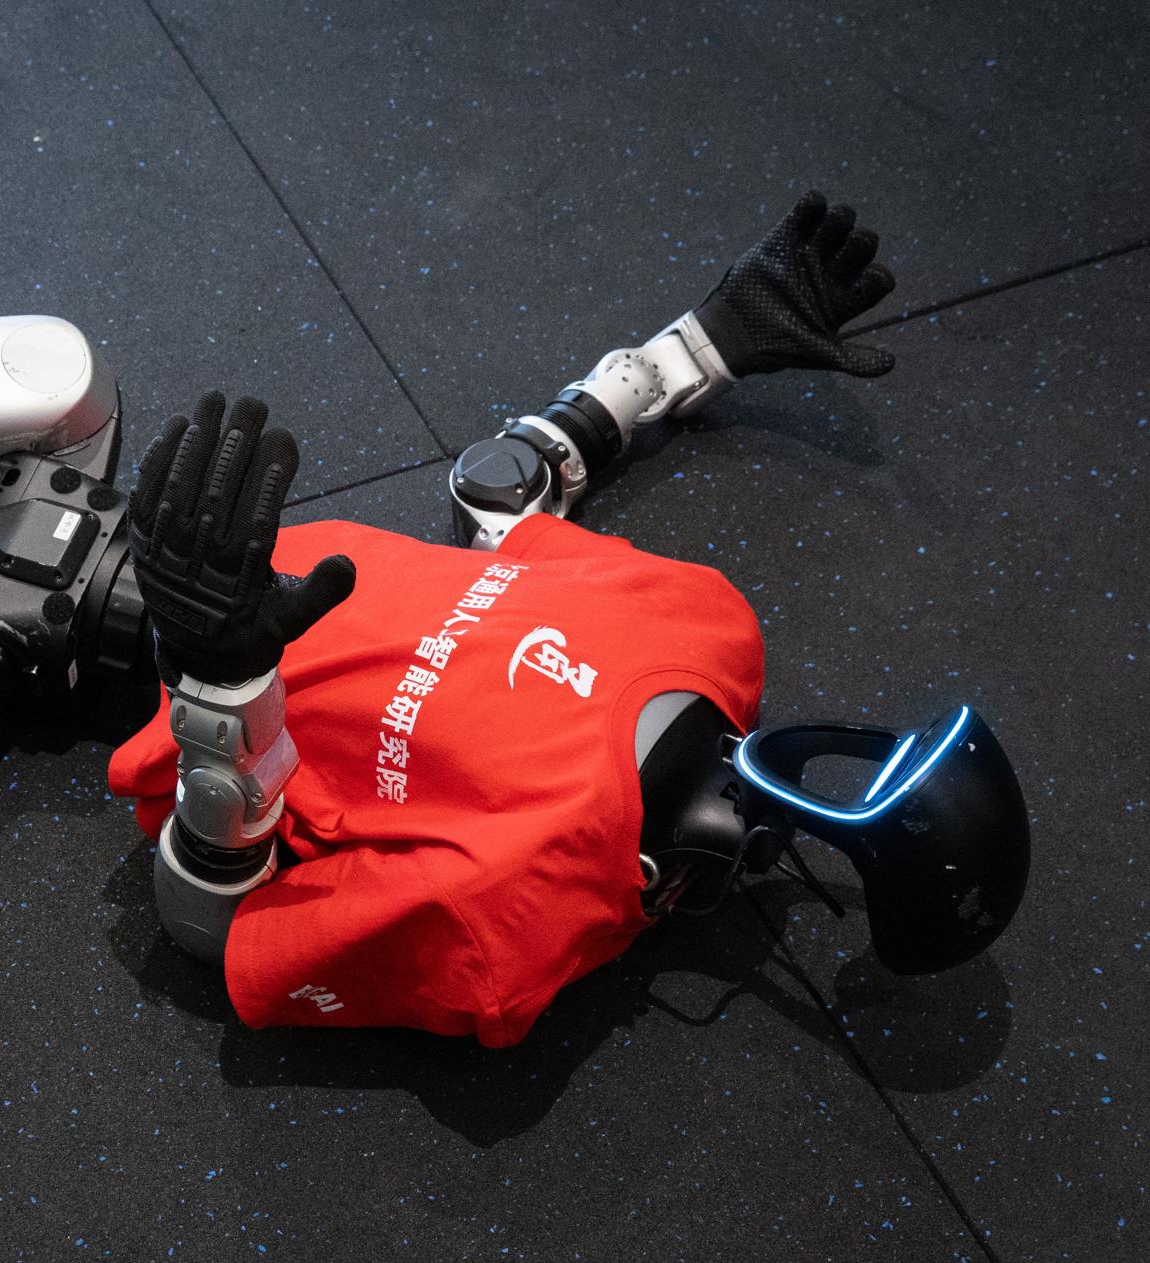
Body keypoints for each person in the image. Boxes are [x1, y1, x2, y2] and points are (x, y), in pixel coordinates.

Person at [108, 194, 1029, 1047]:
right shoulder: (711, 624)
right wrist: (692, 353)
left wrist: (221, 701)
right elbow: (504, 511)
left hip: (118, 651)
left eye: (857, 789)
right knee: (60, 379)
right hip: (216, 524)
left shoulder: (514, 919)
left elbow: (218, 930)